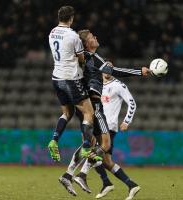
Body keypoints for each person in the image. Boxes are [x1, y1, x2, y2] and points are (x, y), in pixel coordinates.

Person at [57, 29, 151, 197]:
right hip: (93, 104)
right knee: (104, 145)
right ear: (86, 43)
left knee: (94, 146)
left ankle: (69, 175)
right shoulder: (91, 57)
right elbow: (114, 71)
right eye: (93, 37)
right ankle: (81, 175)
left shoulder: (81, 58)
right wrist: (140, 72)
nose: (96, 37)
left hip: (82, 104)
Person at [74, 73, 140, 200]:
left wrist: (127, 121)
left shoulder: (118, 85)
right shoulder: (96, 85)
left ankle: (83, 175)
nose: (107, 72)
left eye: (110, 69)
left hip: (108, 126)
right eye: (104, 69)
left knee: (94, 152)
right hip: (98, 125)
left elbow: (132, 103)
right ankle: (130, 185)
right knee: (106, 161)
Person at [48, 6, 95, 163]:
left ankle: (54, 140)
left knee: (67, 113)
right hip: (71, 78)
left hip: (57, 78)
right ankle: (87, 147)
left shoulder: (52, 32)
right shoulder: (73, 36)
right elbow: (81, 58)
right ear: (71, 18)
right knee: (89, 113)